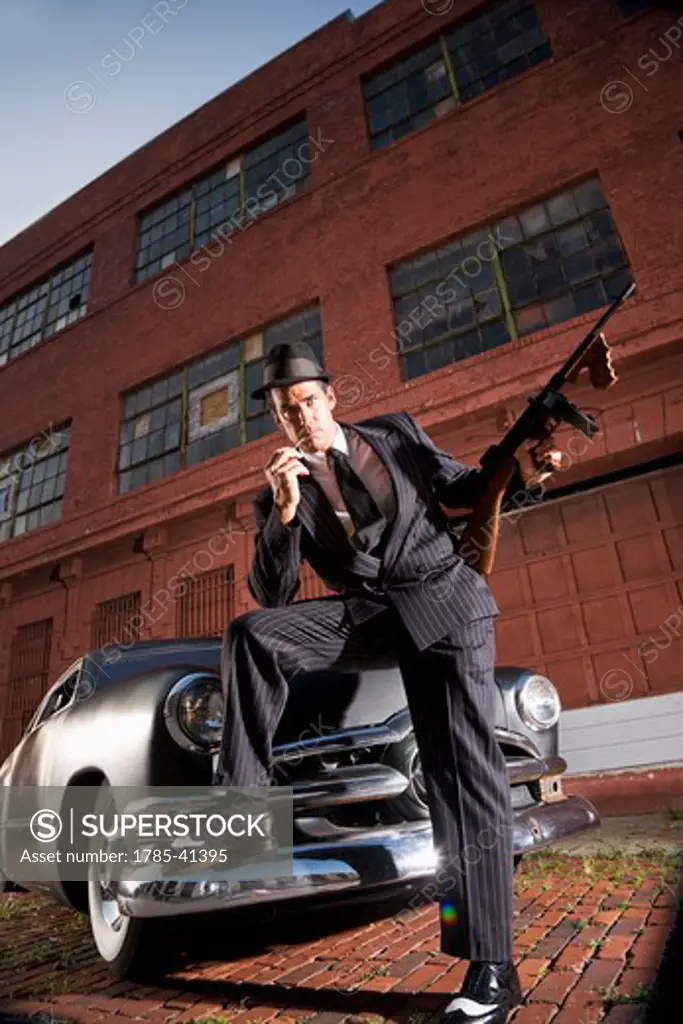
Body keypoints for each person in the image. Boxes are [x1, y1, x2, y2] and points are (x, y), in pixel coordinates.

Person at [215, 341, 561, 1024]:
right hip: (374, 618)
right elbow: (271, 594)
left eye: (308, 402)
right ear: (278, 422)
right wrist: (284, 514)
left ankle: (490, 967)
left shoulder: (395, 434)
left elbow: (464, 487)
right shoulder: (279, 490)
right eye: (287, 412)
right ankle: (247, 814)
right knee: (251, 636)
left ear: (331, 397)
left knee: (458, 783)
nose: (300, 417)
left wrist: (523, 470)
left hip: (448, 608)